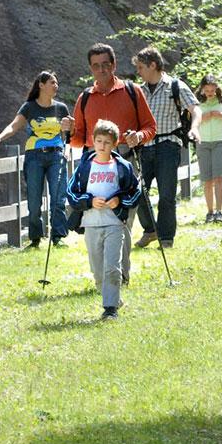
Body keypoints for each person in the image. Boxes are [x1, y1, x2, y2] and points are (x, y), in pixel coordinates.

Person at [63, 43, 157, 284]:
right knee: (94, 220)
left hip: (125, 161)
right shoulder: (85, 98)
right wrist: (68, 131)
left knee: (123, 217)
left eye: (106, 64)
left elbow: (150, 127)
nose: (102, 70)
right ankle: (101, 275)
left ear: (114, 65)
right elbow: (77, 140)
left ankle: (119, 275)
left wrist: (139, 136)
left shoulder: (131, 91)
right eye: (96, 66)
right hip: (93, 166)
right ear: (91, 69)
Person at [65, 119, 141, 320]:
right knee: (98, 271)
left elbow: (135, 192)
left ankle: (110, 309)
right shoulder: (85, 167)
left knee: (112, 268)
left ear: (114, 143)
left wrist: (120, 200)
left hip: (115, 223)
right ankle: (112, 297)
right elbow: (71, 193)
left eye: (107, 142)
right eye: (98, 141)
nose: (102, 145)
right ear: (93, 141)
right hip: (91, 223)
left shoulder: (122, 166)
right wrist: (88, 201)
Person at [0, 71, 71, 248]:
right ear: (41, 85)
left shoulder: (61, 108)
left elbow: (69, 134)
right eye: (52, 82)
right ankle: (35, 238)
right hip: (34, 156)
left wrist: (70, 128)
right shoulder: (29, 107)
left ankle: (58, 237)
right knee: (34, 200)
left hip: (57, 154)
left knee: (58, 196)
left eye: (57, 83)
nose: (56, 86)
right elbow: (14, 126)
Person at [131, 47, 202, 248]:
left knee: (167, 194)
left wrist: (195, 128)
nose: (139, 71)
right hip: (144, 146)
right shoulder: (139, 90)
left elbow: (195, 109)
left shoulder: (175, 86)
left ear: (153, 65)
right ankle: (151, 230)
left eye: (141, 67)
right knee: (137, 191)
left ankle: (166, 238)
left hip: (168, 145)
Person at [195, 74, 222, 223]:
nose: (210, 93)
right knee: (207, 180)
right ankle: (209, 212)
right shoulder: (197, 103)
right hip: (202, 142)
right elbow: (192, 122)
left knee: (218, 177)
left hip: (219, 141)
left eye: (212, 90)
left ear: (217, 88)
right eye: (207, 90)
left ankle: (219, 212)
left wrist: (221, 116)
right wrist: (206, 116)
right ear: (202, 89)